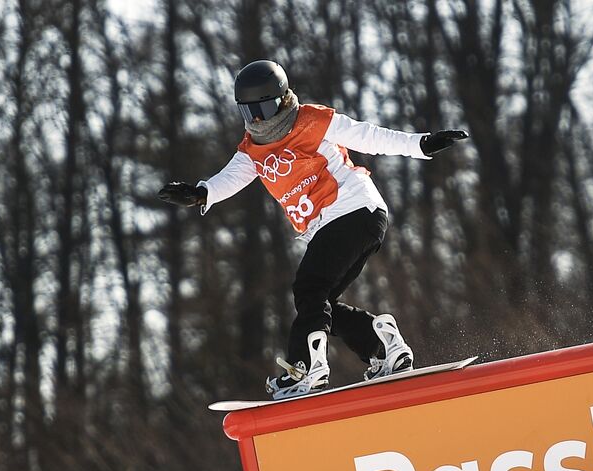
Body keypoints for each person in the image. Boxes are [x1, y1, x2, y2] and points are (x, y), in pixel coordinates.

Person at [158, 60, 467, 398]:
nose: (258, 120)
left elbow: (370, 136)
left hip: (353, 209)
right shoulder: (252, 148)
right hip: (342, 222)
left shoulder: (312, 120)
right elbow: (229, 179)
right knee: (320, 304)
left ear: (281, 99)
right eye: (249, 113)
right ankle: (381, 344)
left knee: (308, 288)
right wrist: (201, 193)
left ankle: (305, 367)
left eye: (264, 108)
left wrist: (420, 144)